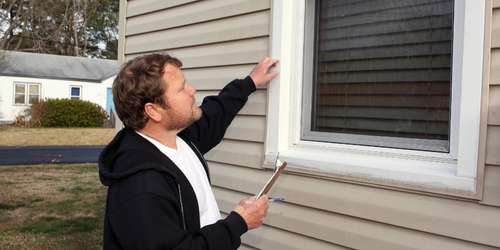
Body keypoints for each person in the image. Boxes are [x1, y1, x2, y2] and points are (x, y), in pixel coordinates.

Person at [98, 53, 279, 250]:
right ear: (153, 110)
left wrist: (250, 82)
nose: (192, 90)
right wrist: (239, 223)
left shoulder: (179, 139)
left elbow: (215, 113)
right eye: (181, 88)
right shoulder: (141, 184)